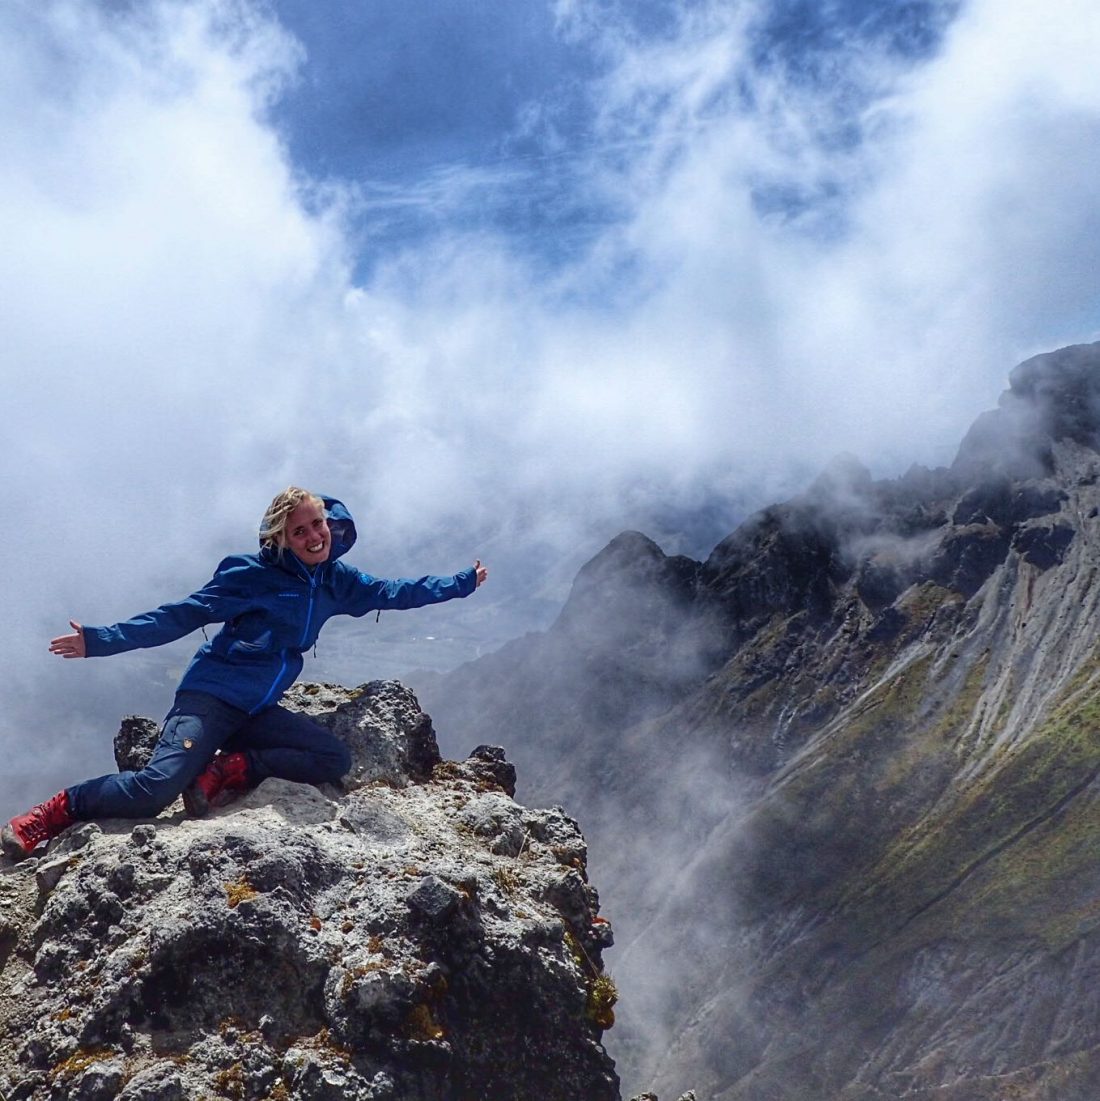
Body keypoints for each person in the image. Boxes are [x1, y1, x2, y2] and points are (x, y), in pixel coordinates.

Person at [1, 487, 488, 861]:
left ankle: (229, 768)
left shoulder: (338, 581)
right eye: (300, 531)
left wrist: (460, 584)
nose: (315, 536)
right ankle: (51, 814)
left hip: (255, 711)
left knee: (331, 758)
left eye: (318, 524)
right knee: (154, 791)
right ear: (280, 538)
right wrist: (100, 641)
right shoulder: (250, 576)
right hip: (210, 699)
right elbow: (181, 615)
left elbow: (397, 592)